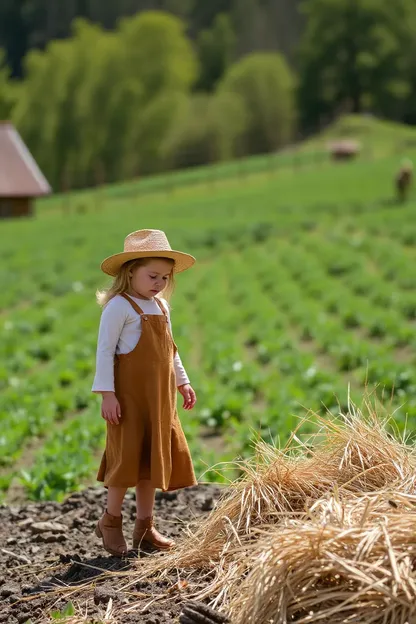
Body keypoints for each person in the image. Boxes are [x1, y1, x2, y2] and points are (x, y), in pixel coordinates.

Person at [92, 229, 198, 557]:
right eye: (153, 276)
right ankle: (110, 521)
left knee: (151, 463)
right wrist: (107, 394)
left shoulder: (162, 308)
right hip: (129, 401)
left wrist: (183, 381)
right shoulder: (118, 307)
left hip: (159, 399)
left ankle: (145, 527)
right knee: (126, 461)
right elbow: (105, 351)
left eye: (165, 278)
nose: (159, 283)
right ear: (130, 271)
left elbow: (171, 352)